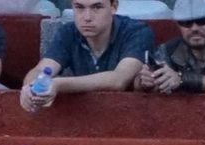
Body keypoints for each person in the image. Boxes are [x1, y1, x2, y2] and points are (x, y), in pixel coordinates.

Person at [19, 0, 155, 112]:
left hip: (128, 117)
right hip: (83, 119)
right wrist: (31, 86)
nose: (87, 17)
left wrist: (58, 84)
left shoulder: (137, 32)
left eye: (97, 7)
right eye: (79, 7)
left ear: (114, 7)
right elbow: (42, 69)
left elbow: (119, 79)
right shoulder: (68, 32)